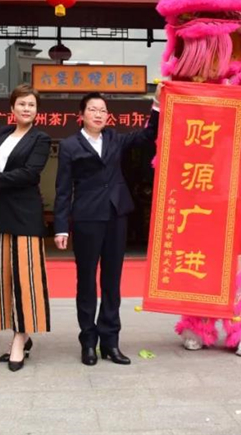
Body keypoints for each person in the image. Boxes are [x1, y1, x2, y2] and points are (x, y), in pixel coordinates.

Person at [54, 87, 160, 366]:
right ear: (81, 115)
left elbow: (147, 135)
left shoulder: (115, 138)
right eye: (93, 109)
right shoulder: (70, 145)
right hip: (86, 218)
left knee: (112, 282)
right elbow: (63, 189)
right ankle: (88, 342)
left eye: (102, 110)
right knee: (86, 281)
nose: (98, 114)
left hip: (116, 216)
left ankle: (111, 342)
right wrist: (61, 227)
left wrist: (157, 104)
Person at [0, 84, 52, 372]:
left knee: (25, 278)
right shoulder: (2, 133)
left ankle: (20, 337)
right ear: (12, 108)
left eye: (31, 105)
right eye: (22, 104)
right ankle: (20, 334)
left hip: (25, 216)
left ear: (37, 111)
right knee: (2, 277)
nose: (27, 109)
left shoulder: (40, 138)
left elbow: (29, 175)